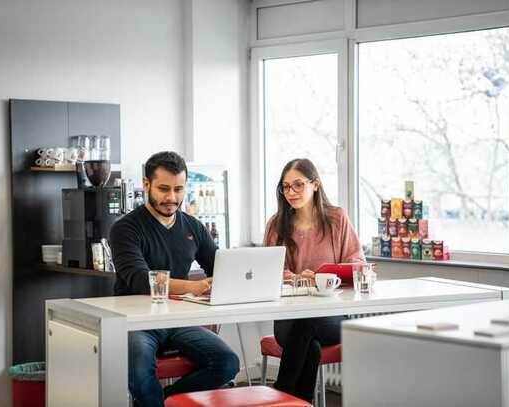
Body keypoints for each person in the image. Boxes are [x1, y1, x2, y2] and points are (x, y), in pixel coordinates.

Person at [110, 151, 239, 407]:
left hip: (178, 318)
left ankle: (166, 402)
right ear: (146, 185)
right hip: (137, 321)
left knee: (227, 362)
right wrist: (195, 286)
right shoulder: (125, 228)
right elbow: (139, 280)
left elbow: (221, 268)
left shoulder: (193, 227)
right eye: (163, 189)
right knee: (138, 370)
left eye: (179, 189)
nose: (172, 198)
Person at [263, 158, 365, 402]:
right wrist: (298, 278)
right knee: (310, 345)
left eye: (298, 185)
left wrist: (325, 276)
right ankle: (296, 401)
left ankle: (281, 395)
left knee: (308, 327)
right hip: (289, 317)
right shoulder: (277, 225)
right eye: (286, 187)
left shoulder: (337, 219)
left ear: (315, 184)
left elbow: (357, 264)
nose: (291, 192)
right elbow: (271, 272)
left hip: (331, 316)